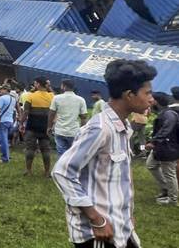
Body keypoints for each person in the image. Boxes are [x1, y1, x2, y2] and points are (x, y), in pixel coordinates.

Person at [53, 59, 155, 248]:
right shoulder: (100, 128)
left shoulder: (124, 127)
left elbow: (115, 178)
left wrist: (126, 214)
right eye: (147, 93)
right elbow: (62, 172)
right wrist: (96, 219)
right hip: (98, 234)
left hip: (120, 227)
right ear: (129, 95)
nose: (152, 99)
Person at [145, 92, 179, 206]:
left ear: (157, 101)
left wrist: (153, 141)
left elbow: (166, 129)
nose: (149, 101)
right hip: (161, 147)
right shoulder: (163, 112)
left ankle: (173, 200)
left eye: (151, 99)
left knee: (169, 173)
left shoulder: (169, 114)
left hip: (168, 148)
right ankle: (166, 189)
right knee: (151, 165)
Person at [21, 77, 54, 177]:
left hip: (32, 125)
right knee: (46, 149)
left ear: (38, 84)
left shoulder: (30, 96)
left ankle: (28, 170)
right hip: (45, 125)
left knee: (30, 149)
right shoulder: (52, 96)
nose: (34, 85)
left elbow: (26, 111)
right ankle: (47, 172)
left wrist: (21, 123)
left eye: (35, 83)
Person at [49, 80, 88, 156]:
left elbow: (51, 114)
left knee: (61, 153)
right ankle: (70, 167)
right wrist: (82, 130)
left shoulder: (56, 98)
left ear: (64, 86)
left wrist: (49, 127)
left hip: (60, 130)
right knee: (73, 154)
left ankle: (61, 167)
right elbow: (84, 117)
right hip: (74, 131)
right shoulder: (81, 100)